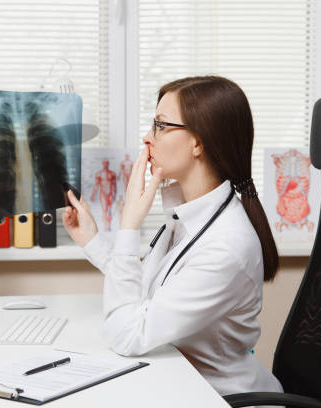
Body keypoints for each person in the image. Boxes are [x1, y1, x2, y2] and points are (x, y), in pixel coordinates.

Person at [62, 76, 284, 399]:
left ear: (198, 142)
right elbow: (143, 296)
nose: (147, 137)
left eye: (160, 126)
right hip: (180, 384)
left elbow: (129, 333)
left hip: (219, 398)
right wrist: (93, 241)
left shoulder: (226, 246)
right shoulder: (188, 213)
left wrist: (129, 224)